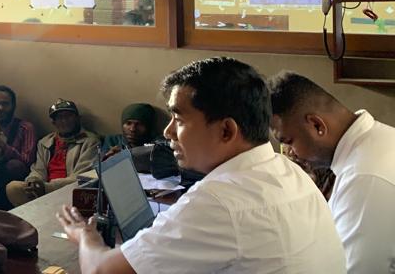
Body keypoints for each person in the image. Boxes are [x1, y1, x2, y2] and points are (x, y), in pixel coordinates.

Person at [57, 57, 347, 274]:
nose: (168, 132)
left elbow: (100, 270)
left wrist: (85, 236)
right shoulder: (288, 171)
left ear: (226, 131)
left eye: (179, 119)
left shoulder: (218, 202)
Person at [269, 71, 395, 274]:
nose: (290, 153)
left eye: (289, 142)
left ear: (317, 125)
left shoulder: (363, 178)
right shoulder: (380, 138)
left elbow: (353, 270)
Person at [6, 99, 99, 207]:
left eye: (68, 116)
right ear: (54, 123)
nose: (64, 121)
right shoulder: (45, 142)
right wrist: (33, 181)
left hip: (69, 192)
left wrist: (46, 187)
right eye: (60, 118)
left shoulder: (90, 142)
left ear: (78, 118)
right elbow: (38, 170)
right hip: (42, 191)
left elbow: (82, 178)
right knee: (12, 188)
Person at [0, 85, 36, 210]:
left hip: (11, 175)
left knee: (14, 166)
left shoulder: (25, 128)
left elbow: (27, 160)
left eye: (5, 104)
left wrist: (4, 146)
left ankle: (6, 208)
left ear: (13, 105)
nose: (0, 108)